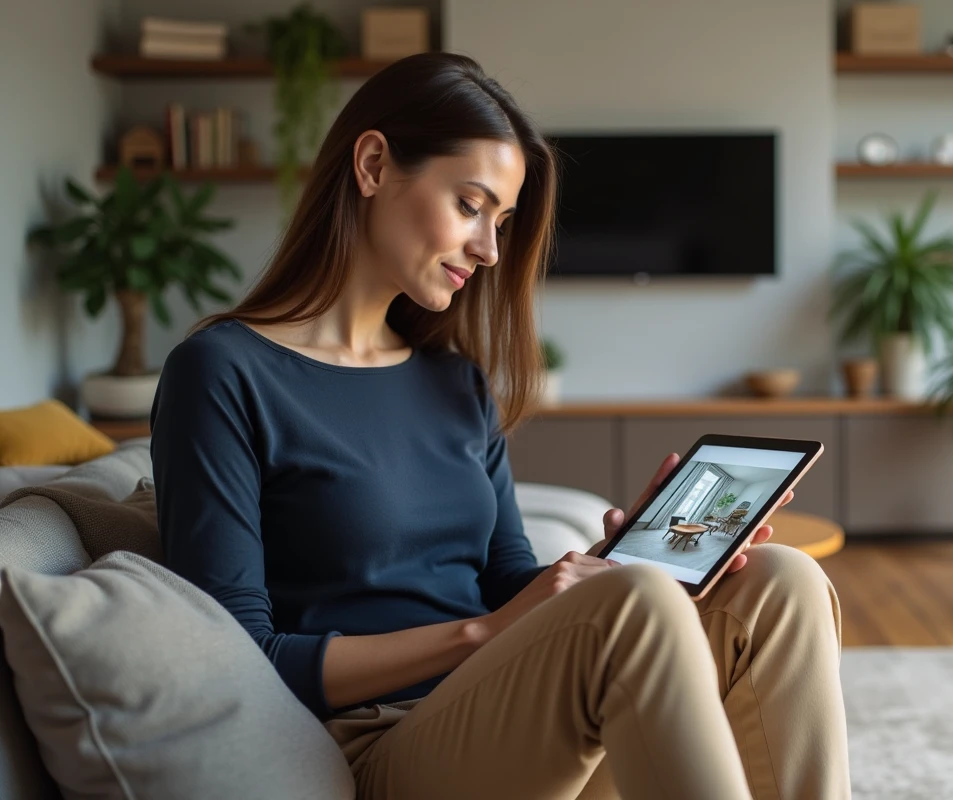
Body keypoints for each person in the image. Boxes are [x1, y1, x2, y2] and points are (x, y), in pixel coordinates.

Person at [150, 52, 850, 800]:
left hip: (512, 710)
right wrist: (484, 632)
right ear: (374, 164)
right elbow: (243, 657)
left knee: (783, 581)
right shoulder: (221, 373)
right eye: (471, 205)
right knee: (636, 606)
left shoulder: (454, 382)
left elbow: (511, 582)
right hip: (379, 742)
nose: (489, 250)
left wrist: (616, 557)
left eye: (503, 222)